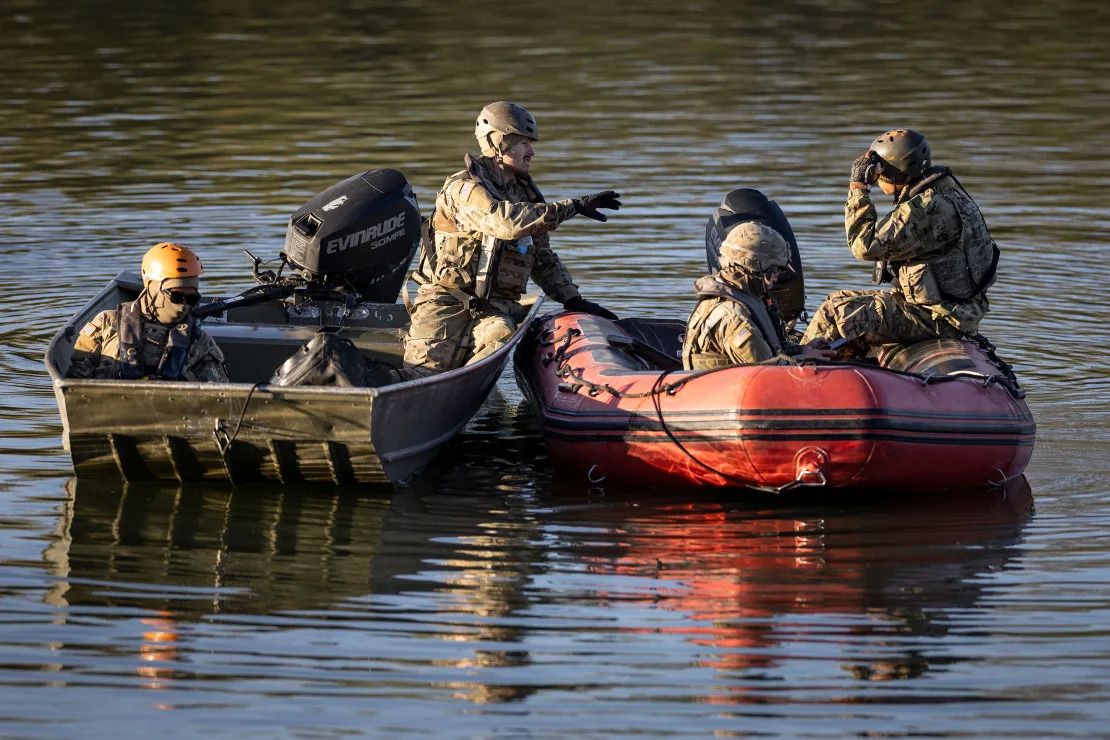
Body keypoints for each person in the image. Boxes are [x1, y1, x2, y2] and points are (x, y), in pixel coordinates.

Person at [403, 100, 622, 376]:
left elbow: (541, 257)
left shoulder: (524, 194)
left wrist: (572, 300)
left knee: (501, 334)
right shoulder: (465, 190)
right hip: (444, 303)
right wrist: (572, 207)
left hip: (492, 309)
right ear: (498, 143)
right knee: (420, 372)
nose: (531, 151)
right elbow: (504, 222)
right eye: (523, 143)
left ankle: (464, 385)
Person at [802, 129, 999, 350]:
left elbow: (862, 245)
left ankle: (792, 371)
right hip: (957, 311)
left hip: (941, 318)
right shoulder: (947, 191)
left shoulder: (926, 208)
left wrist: (858, 188)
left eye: (880, 170)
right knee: (839, 299)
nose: (876, 177)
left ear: (895, 172)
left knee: (835, 311)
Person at [68, 242, 229, 381]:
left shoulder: (200, 341)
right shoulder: (107, 324)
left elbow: (221, 398)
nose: (184, 305)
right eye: (176, 296)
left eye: (192, 298)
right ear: (152, 288)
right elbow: (75, 383)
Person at [682, 222, 831, 369]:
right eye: (774, 270)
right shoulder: (734, 318)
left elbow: (770, 351)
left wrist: (802, 350)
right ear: (755, 267)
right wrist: (806, 360)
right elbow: (769, 373)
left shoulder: (741, 298)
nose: (776, 278)